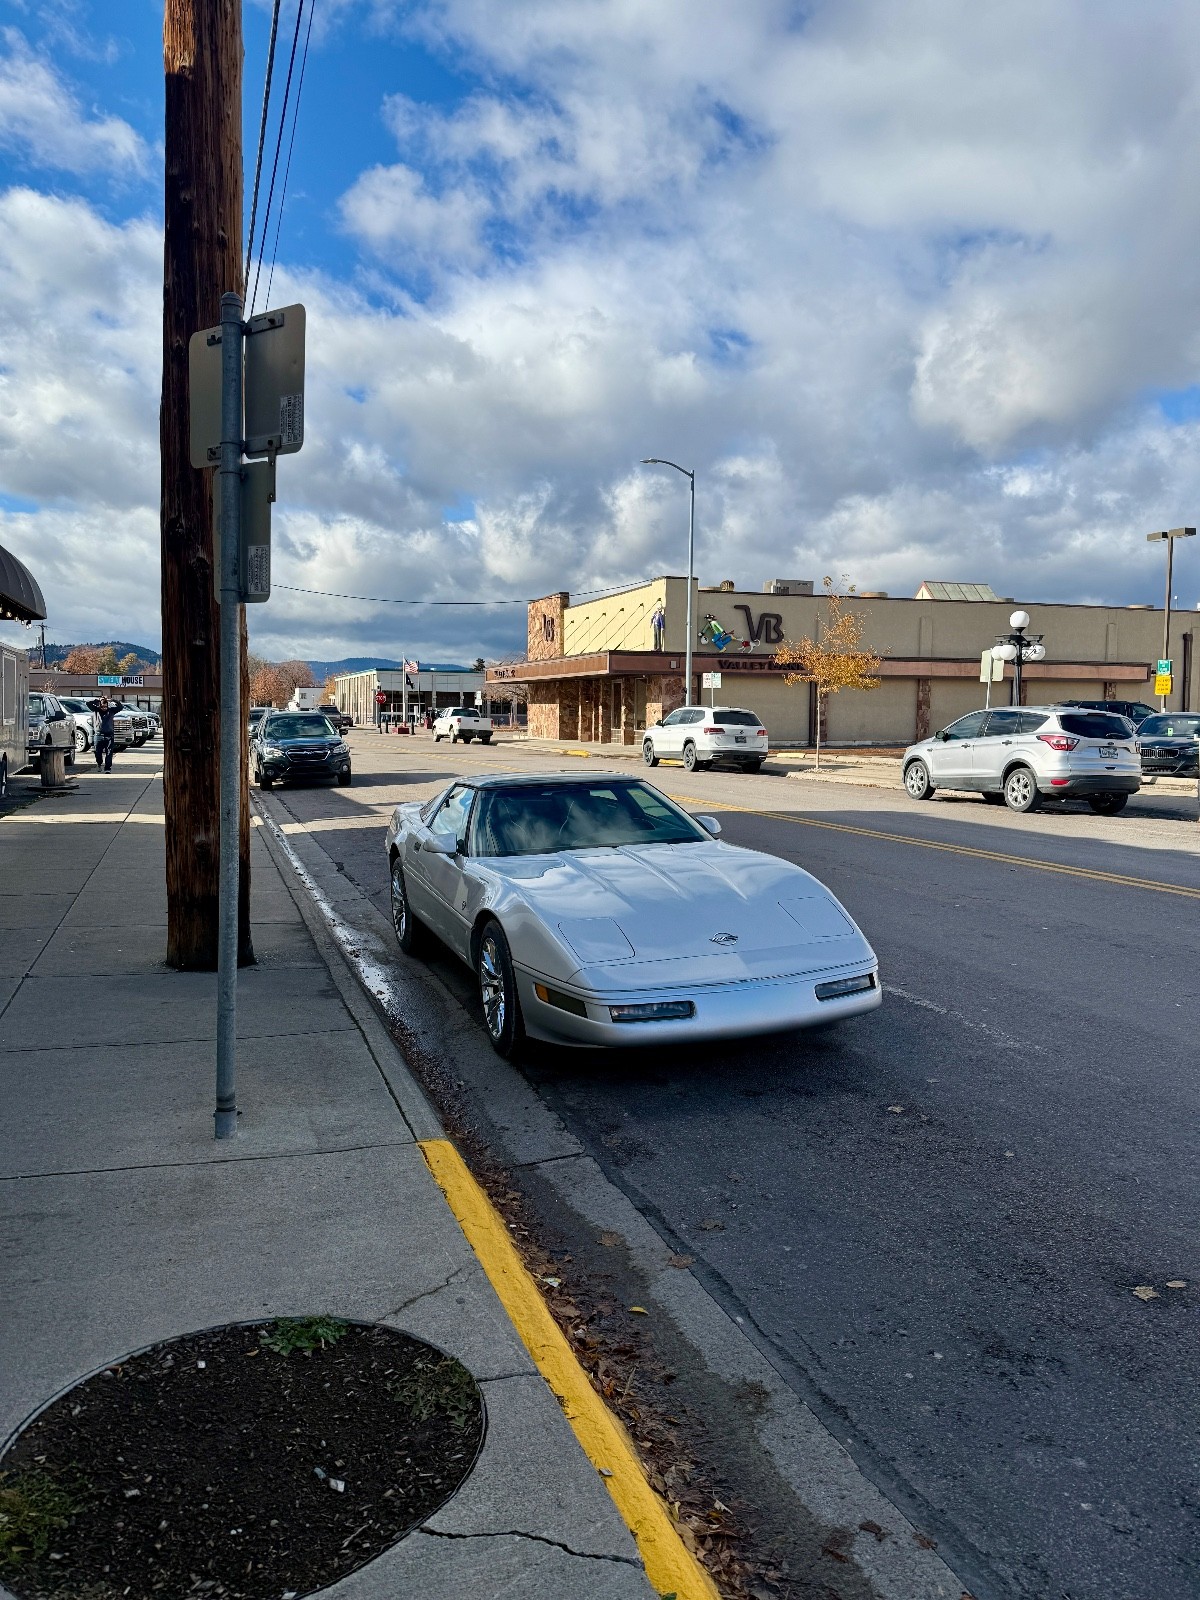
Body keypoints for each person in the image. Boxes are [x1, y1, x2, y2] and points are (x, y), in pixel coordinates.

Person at [86, 694, 127, 772]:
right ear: (100, 706)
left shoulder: (111, 711)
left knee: (109, 752)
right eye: (102, 706)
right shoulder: (96, 710)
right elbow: (88, 703)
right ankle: (99, 763)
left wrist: (112, 700)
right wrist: (98, 700)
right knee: (98, 752)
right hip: (98, 735)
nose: (104, 708)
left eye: (105, 706)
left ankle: (107, 768)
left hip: (109, 735)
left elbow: (120, 707)